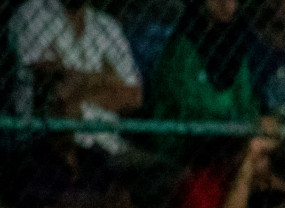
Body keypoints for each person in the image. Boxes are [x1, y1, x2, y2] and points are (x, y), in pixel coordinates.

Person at [8, 0, 143, 154]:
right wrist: (107, 80)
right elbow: (56, 87)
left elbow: (134, 97)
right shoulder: (33, 13)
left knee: (167, 169)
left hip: (108, 145)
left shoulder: (107, 25)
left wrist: (78, 84)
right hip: (48, 143)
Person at [152, 0, 259, 125]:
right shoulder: (183, 45)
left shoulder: (236, 46)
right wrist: (233, 119)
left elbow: (245, 100)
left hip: (231, 131)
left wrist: (251, 119)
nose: (225, 4)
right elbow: (190, 106)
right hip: (187, 135)